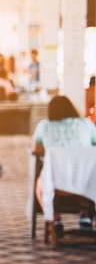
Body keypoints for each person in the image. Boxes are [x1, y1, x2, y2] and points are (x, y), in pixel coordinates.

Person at [31, 95, 96, 234]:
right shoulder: (85, 124)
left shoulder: (44, 126)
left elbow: (37, 150)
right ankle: (86, 215)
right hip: (85, 182)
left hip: (56, 183)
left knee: (40, 184)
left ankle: (55, 219)